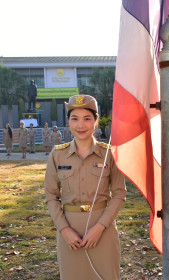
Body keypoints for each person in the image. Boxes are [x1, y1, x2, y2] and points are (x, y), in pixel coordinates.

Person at [44, 95, 126, 279]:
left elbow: (120, 193)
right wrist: (64, 230)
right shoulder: (57, 155)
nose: (80, 125)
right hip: (69, 230)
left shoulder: (109, 154)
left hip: (102, 228)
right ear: (69, 122)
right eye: (75, 118)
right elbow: (51, 195)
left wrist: (99, 228)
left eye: (87, 118)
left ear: (96, 121)